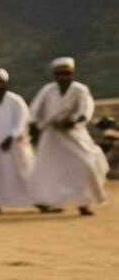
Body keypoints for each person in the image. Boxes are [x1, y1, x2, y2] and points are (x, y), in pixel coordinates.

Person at [28, 57, 107, 215]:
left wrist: (75, 120)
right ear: (55, 75)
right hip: (51, 135)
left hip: (74, 134)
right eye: (60, 73)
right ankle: (44, 200)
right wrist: (34, 125)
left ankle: (84, 202)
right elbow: (35, 109)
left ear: (72, 73)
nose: (64, 76)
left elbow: (86, 109)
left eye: (67, 73)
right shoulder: (48, 90)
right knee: (48, 168)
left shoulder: (80, 89)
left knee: (87, 164)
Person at [0, 70, 35, 215]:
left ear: (6, 83)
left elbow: (22, 121)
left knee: (25, 171)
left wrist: (10, 137)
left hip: (15, 145)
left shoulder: (16, 100)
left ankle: (40, 201)